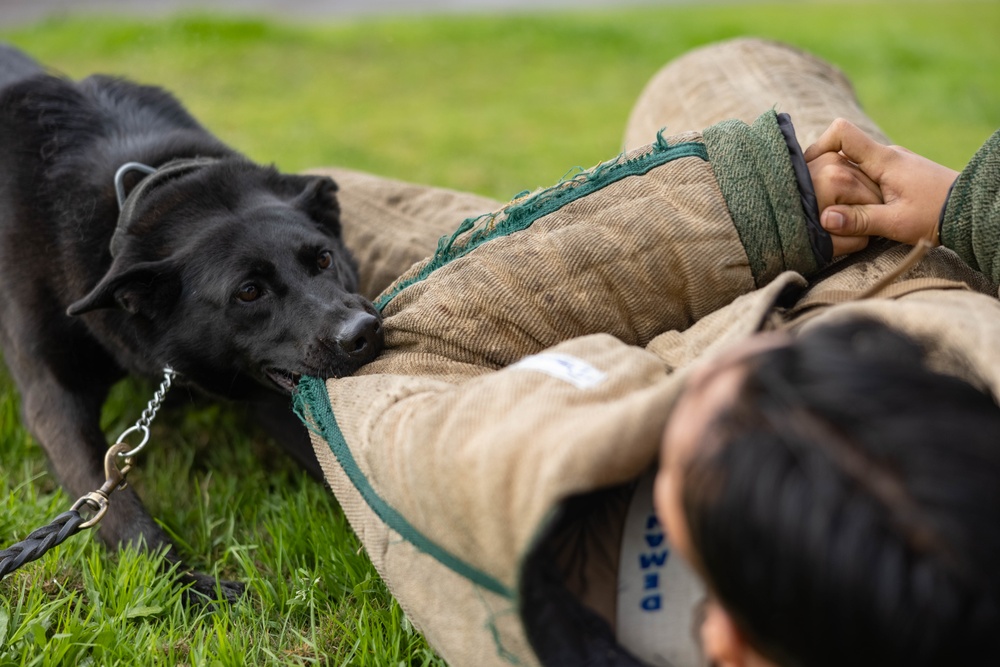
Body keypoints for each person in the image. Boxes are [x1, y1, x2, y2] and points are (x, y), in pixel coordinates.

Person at [294, 38, 1000, 666]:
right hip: (904, 262)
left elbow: (409, 356)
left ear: (725, 641)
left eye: (702, 400)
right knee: (725, 67)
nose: (739, 363)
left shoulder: (521, 532)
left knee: (297, 218)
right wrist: (962, 209)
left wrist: (758, 206)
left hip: (724, 271)